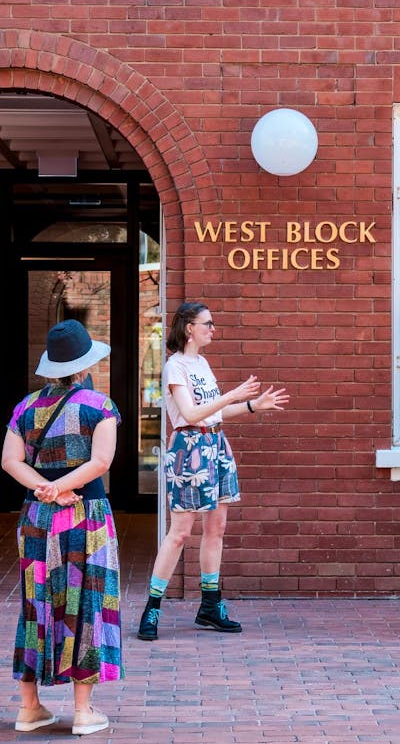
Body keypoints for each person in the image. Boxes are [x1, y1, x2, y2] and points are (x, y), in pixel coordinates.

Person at [137, 301, 289, 641]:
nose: (213, 329)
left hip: (215, 445)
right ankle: (153, 607)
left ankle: (209, 606)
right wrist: (234, 395)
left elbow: (213, 414)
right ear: (189, 328)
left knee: (216, 528)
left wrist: (252, 405)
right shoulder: (175, 367)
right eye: (208, 323)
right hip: (188, 450)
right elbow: (190, 414)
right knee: (179, 532)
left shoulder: (202, 364)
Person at [1, 319, 123, 735]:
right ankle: (84, 713)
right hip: (86, 514)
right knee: (86, 601)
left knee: (36, 604)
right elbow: (101, 462)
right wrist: (61, 488)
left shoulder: (26, 407)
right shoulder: (99, 405)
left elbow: (10, 461)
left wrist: (44, 489)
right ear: (85, 365)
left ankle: (29, 708)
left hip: (36, 518)